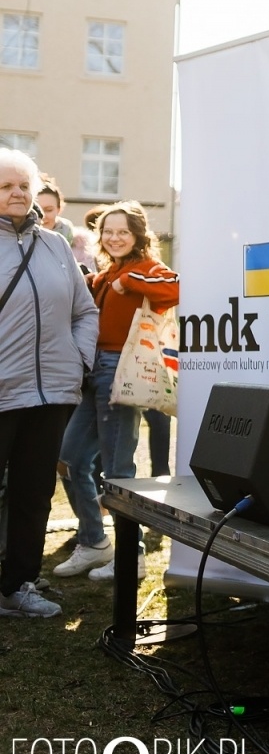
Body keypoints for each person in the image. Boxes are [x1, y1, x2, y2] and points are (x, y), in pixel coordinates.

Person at [56, 201, 179, 583]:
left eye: (122, 231)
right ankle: (94, 542)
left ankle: (132, 556)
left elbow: (175, 286)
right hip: (94, 372)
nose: (114, 237)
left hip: (120, 371)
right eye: (108, 231)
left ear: (138, 236)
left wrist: (131, 283)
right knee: (71, 458)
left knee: (119, 470)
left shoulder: (143, 269)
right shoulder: (107, 272)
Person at [0, 150, 97, 617]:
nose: (17, 194)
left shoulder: (56, 245)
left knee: (35, 491)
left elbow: (85, 311)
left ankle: (18, 585)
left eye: (23, 186)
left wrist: (78, 359)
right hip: (2, 390)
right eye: (6, 187)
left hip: (52, 393)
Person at [34, 174, 74, 245]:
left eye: (49, 210)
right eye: (37, 210)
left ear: (59, 209)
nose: (43, 215)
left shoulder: (79, 248)